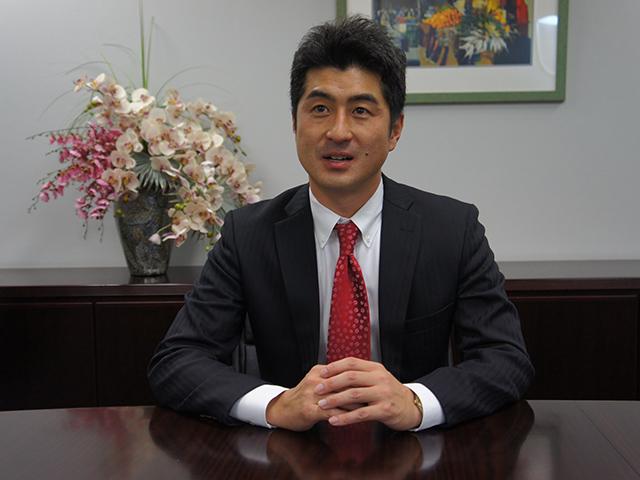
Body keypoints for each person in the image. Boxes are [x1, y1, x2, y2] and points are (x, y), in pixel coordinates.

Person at [148, 15, 533, 432]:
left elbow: (505, 359)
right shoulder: (248, 235)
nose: (338, 131)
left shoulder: (453, 230)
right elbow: (177, 361)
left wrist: (415, 402)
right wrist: (275, 404)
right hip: (293, 449)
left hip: (411, 447)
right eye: (320, 109)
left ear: (395, 130)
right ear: (295, 123)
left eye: (361, 111)